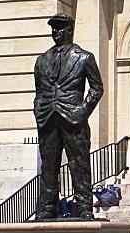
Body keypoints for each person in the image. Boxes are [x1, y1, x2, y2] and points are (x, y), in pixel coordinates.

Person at [33, 13, 104, 220]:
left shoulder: (84, 57)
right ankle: (47, 206)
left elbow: (97, 88)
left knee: (79, 163)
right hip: (47, 117)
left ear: (69, 31)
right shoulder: (42, 60)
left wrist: (82, 111)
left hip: (74, 117)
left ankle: (84, 206)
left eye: (60, 29)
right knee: (49, 164)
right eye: (53, 29)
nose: (56, 32)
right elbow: (39, 90)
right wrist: (38, 108)